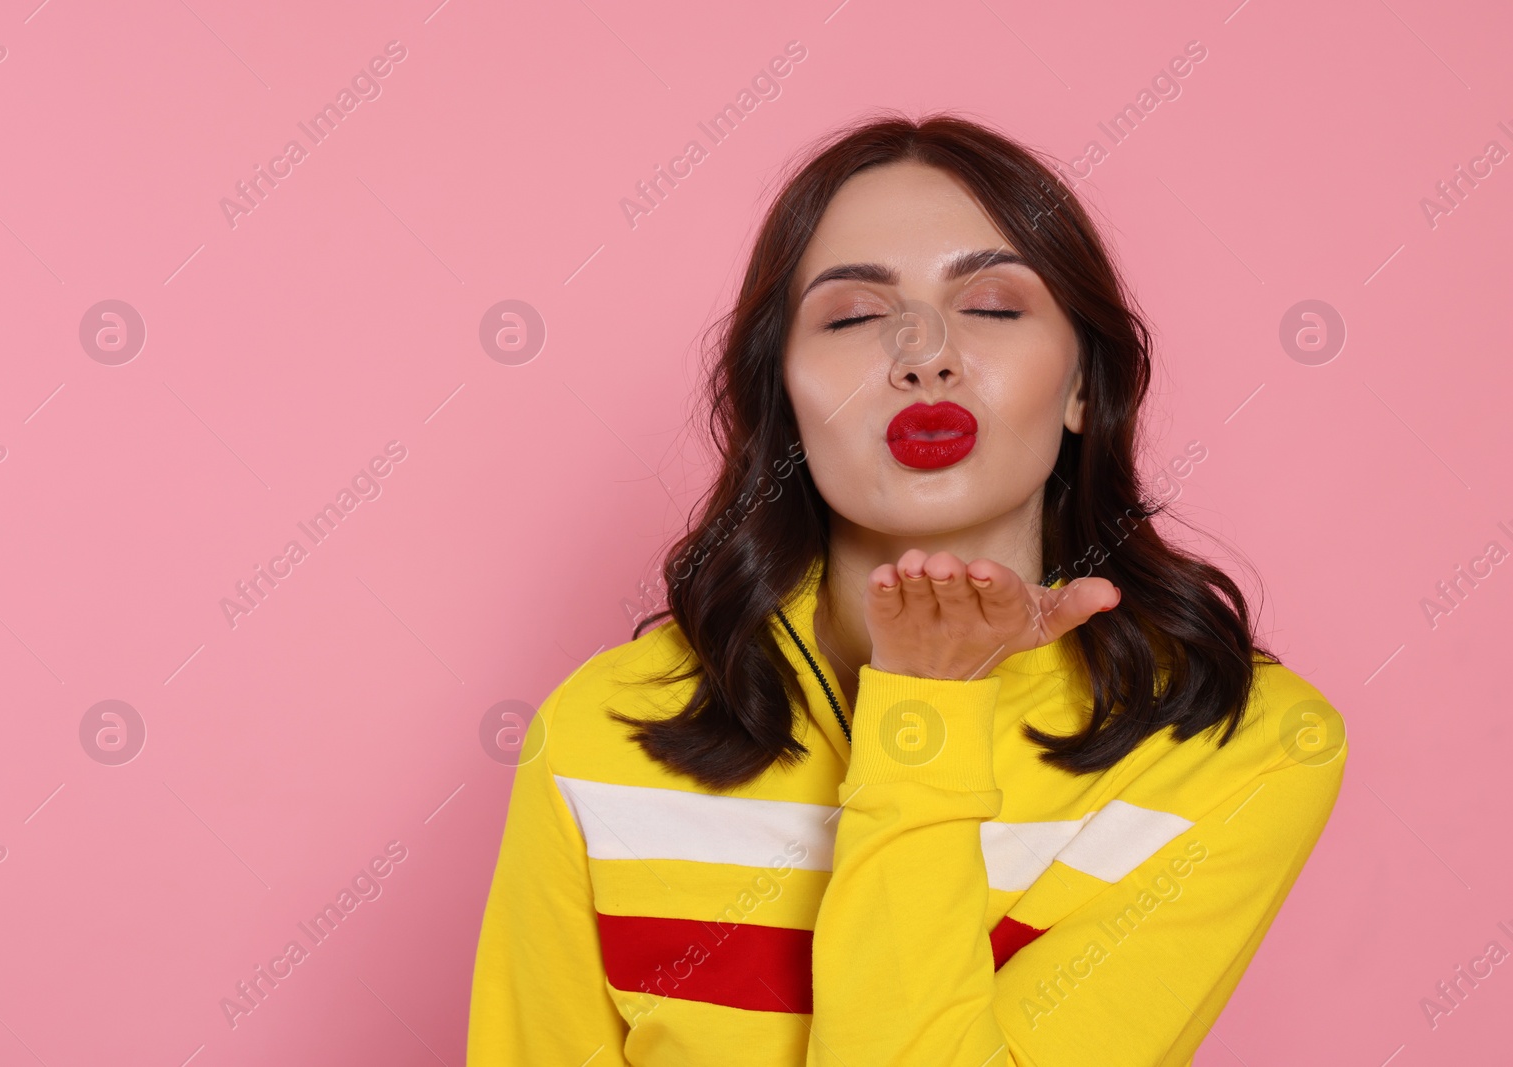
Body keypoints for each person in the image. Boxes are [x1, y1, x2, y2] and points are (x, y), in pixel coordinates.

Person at [465, 111, 1347, 1066]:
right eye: (853, 316)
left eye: (993, 306)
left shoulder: (1240, 748)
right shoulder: (606, 732)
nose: (925, 353)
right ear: (782, 397)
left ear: (1086, 385)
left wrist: (925, 709)